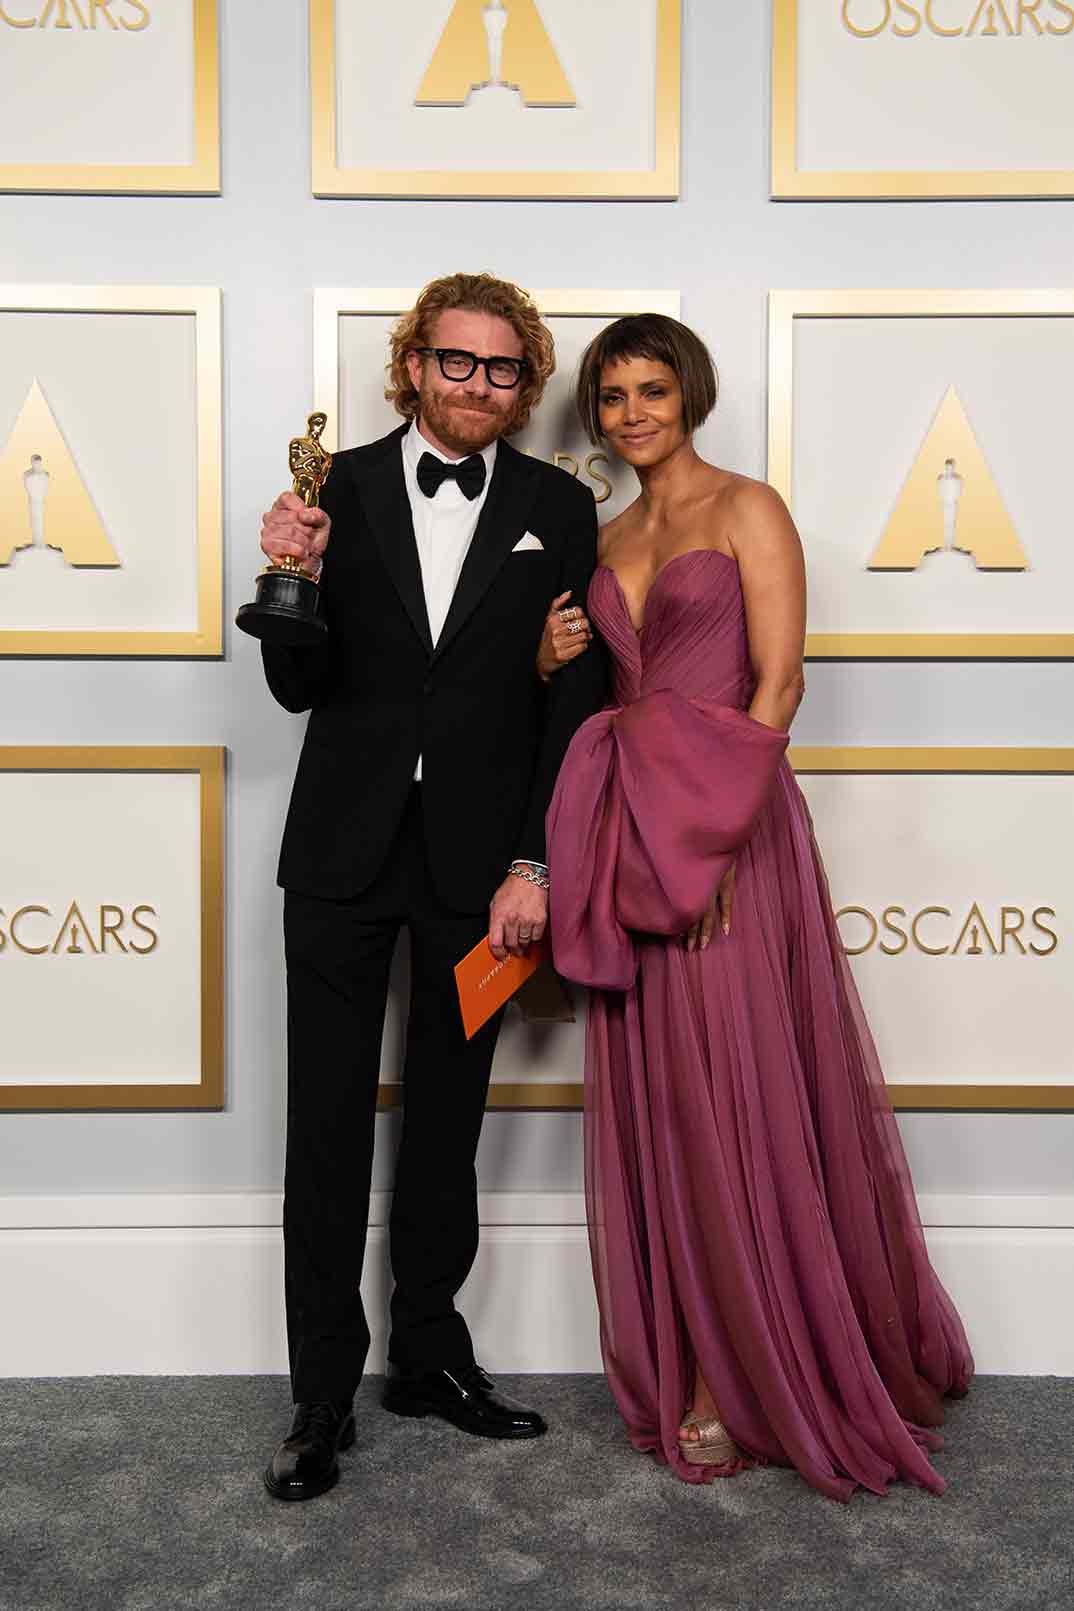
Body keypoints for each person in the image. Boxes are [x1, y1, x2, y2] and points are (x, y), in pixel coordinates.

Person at [538, 313, 974, 1501]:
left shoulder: (748, 508)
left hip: (729, 836)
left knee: (742, 1086)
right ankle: (698, 1358)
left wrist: (717, 842)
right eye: (612, 396)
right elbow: (598, 684)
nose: (632, 414)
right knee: (667, 1095)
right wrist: (549, 658)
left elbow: (779, 682)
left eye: (652, 390)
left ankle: (746, 1377)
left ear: (694, 394)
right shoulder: (609, 529)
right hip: (633, 832)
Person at [257, 272, 607, 1501]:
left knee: (449, 1123)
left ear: (527, 384)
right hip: (341, 858)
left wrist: (534, 862)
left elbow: (573, 696)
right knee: (326, 1127)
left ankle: (429, 1355)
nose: (478, 387)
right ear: (413, 366)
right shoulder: (332, 488)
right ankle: (317, 1399)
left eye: (504, 369)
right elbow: (298, 691)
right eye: (456, 363)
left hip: (481, 870)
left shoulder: (560, 507)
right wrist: (286, 576)